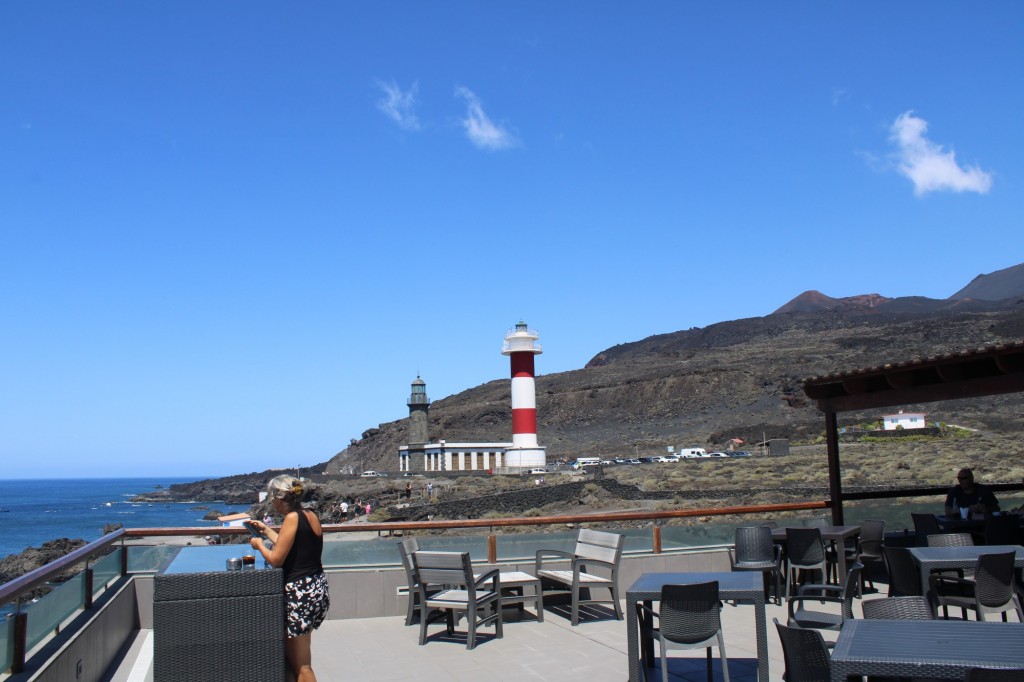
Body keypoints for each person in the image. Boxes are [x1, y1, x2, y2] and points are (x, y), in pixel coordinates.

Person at [250, 475, 329, 682]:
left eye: (272, 498)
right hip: (316, 589)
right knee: (301, 659)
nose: (272, 503)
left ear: (278, 498)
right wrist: (266, 530)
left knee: (302, 667)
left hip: (300, 594)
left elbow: (277, 559)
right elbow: (294, 546)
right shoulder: (309, 514)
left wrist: (259, 546)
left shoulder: (292, 518)